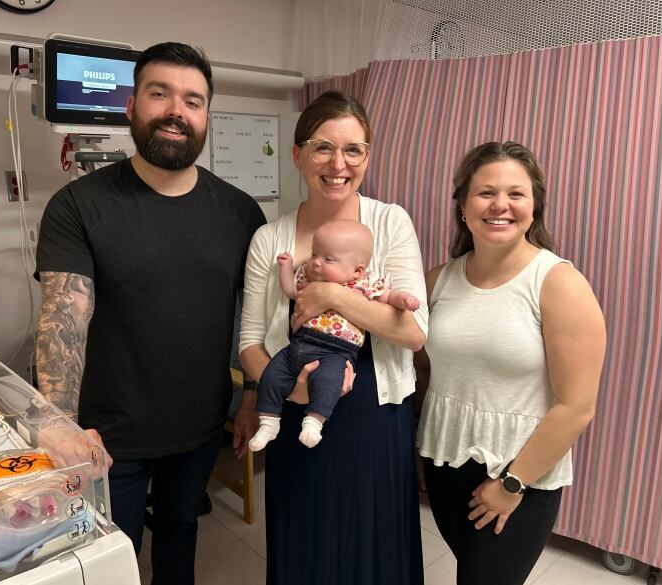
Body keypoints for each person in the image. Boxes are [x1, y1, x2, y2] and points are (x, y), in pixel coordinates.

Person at [34, 42, 266, 585]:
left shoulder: (240, 212)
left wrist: (252, 398)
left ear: (207, 116)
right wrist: (59, 426)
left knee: (181, 532)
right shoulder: (79, 206)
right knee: (108, 552)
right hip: (107, 436)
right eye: (160, 94)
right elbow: (61, 325)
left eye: (193, 100)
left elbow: (253, 320)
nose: (176, 111)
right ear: (132, 105)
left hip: (200, 426)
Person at [235, 91, 428, 585]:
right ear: (297, 154)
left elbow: (413, 334)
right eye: (322, 148)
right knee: (308, 541)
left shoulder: (389, 223)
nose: (338, 164)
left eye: (353, 150)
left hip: (374, 413)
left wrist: (332, 297)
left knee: (370, 541)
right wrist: (293, 390)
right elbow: (251, 341)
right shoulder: (270, 239)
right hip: (296, 408)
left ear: (368, 155)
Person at [414, 141, 606, 585]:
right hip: (445, 462)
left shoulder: (558, 283)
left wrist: (511, 483)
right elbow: (424, 369)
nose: (501, 205)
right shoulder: (439, 279)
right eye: (486, 192)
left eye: (516, 194)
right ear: (462, 205)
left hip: (519, 478)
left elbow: (577, 406)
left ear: (535, 206)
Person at [249, 219, 420, 451]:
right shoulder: (307, 278)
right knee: (271, 374)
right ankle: (268, 422)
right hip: (298, 345)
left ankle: (314, 422)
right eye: (314, 254)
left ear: (357, 269)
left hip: (336, 351)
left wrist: (405, 300)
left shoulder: (362, 284)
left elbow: (389, 296)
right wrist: (286, 267)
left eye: (327, 259)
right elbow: (289, 289)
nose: (316, 263)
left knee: (328, 381)